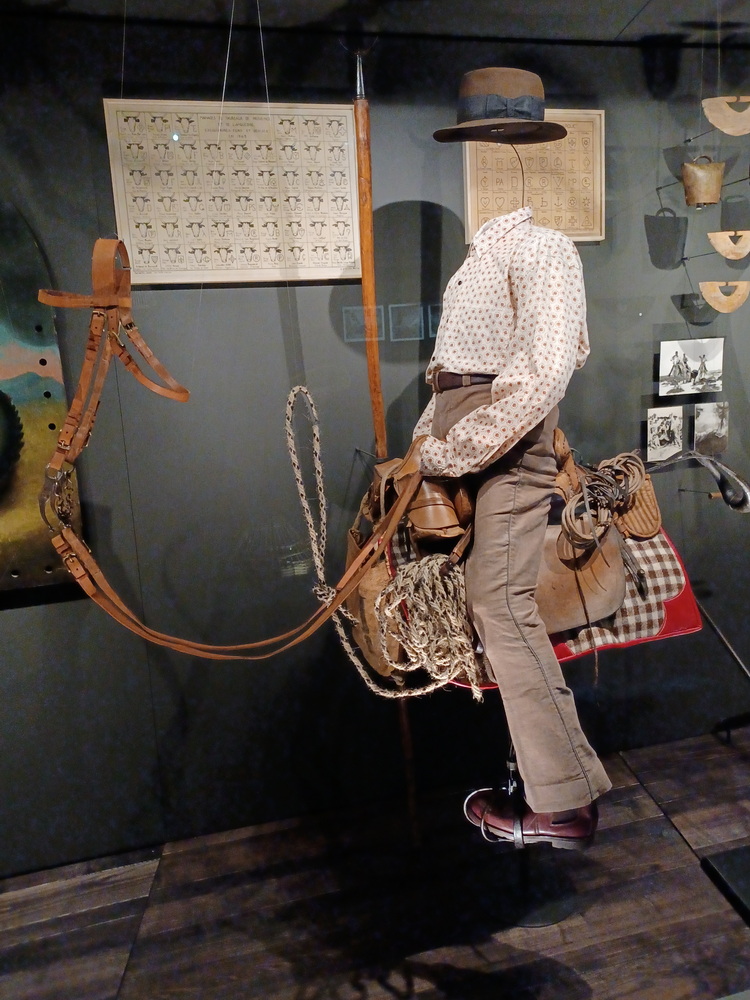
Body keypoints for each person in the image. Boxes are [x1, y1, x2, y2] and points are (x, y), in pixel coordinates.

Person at [413, 68, 611, 850]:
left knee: (499, 600)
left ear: (523, 155)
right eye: (480, 146)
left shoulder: (546, 248)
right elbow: (450, 372)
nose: (490, 159)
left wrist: (454, 446)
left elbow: (543, 372)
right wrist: (429, 441)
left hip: (508, 442)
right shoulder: (484, 254)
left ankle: (562, 801)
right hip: (466, 432)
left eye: (502, 144)